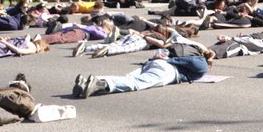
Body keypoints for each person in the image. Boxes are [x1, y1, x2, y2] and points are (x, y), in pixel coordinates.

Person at [71, 48, 211, 97]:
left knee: (127, 79)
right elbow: (200, 66)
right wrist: (171, 60)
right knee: (136, 83)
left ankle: (88, 84)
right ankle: (100, 83)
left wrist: (169, 58)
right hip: (168, 70)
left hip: (153, 64)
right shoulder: (200, 59)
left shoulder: (187, 51)